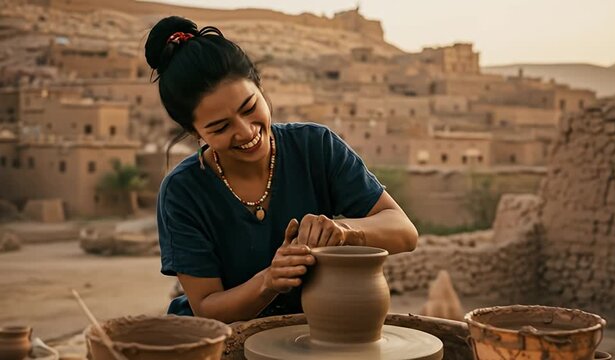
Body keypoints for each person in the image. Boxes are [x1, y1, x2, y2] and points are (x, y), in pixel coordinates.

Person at [146, 16, 418, 324]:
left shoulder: (315, 147)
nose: (246, 132)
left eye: (250, 108)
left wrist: (345, 232)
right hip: (224, 341)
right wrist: (268, 282)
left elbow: (404, 232)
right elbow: (207, 308)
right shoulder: (183, 192)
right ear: (195, 132)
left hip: (318, 331)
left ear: (261, 87)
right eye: (220, 127)